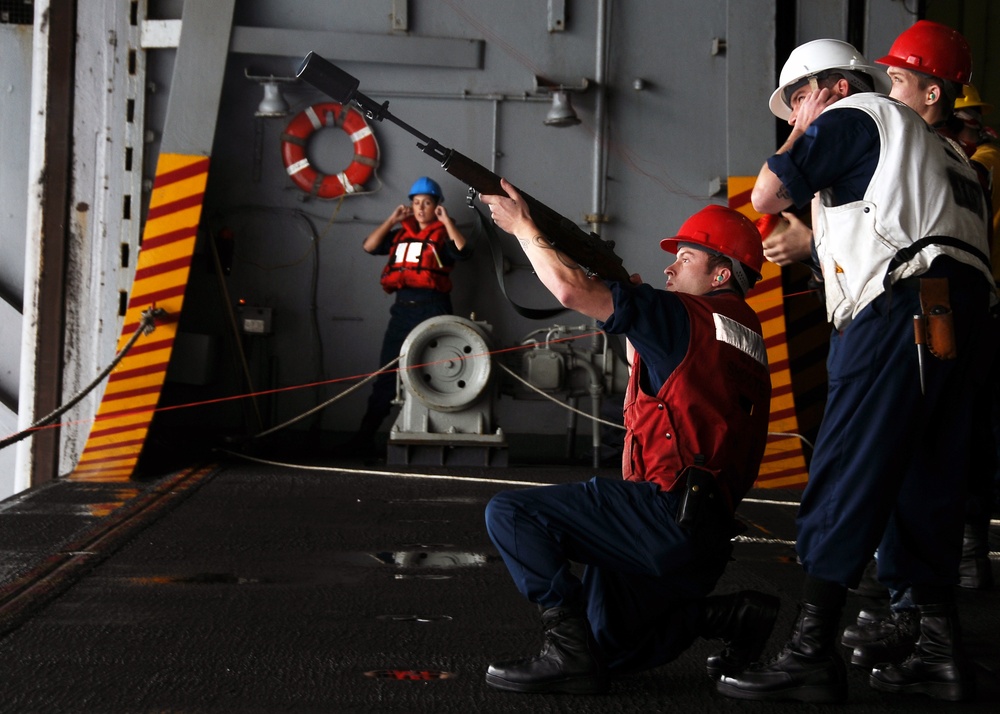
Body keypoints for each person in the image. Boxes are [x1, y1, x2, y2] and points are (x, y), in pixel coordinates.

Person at [717, 28, 995, 705]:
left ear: (835, 88)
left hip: (897, 313)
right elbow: (895, 225)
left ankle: (811, 649)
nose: (797, 116)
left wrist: (796, 142)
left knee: (846, 466)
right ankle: (938, 650)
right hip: (956, 319)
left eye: (801, 100)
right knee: (926, 478)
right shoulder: (952, 156)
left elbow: (768, 193)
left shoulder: (859, 112)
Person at [477, 190, 775, 695]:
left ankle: (565, 653)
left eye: (685, 258)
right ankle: (729, 615)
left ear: (721, 274)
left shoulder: (682, 315)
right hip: (705, 538)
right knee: (609, 648)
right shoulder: (742, 331)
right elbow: (673, 376)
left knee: (511, 514)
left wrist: (524, 229)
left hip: (660, 515)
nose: (669, 270)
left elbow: (571, 293)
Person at [339, 177, 471, 456]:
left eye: (427, 203)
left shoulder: (444, 236)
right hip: (402, 310)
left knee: (436, 375)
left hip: (433, 307)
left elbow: (464, 252)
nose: (421, 207)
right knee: (387, 375)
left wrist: (447, 222)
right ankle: (364, 438)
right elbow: (369, 246)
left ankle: (440, 440)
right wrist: (392, 218)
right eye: (416, 202)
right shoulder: (400, 234)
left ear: (436, 206)